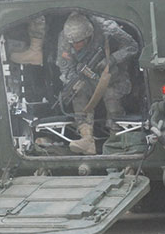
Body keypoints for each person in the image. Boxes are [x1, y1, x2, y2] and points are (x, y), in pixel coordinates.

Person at [57, 12, 139, 155]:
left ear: (88, 36)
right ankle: (87, 139)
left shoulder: (108, 28)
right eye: (72, 43)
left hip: (113, 76)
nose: (75, 46)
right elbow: (64, 65)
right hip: (86, 78)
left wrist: (112, 59)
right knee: (78, 94)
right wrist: (72, 80)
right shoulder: (65, 38)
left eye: (79, 42)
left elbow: (132, 47)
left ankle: (116, 140)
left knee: (111, 96)